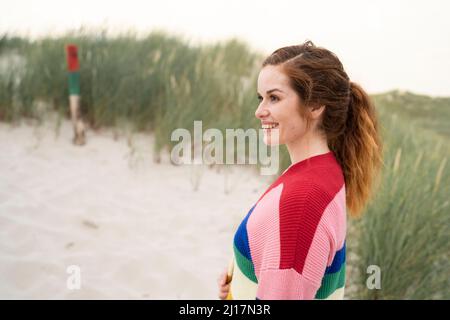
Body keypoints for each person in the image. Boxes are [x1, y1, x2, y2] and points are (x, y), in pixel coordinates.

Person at [217, 40, 383, 300]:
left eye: (274, 98)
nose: (259, 111)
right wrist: (239, 281)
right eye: (261, 98)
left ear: (315, 105)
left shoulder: (303, 202)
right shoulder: (322, 171)